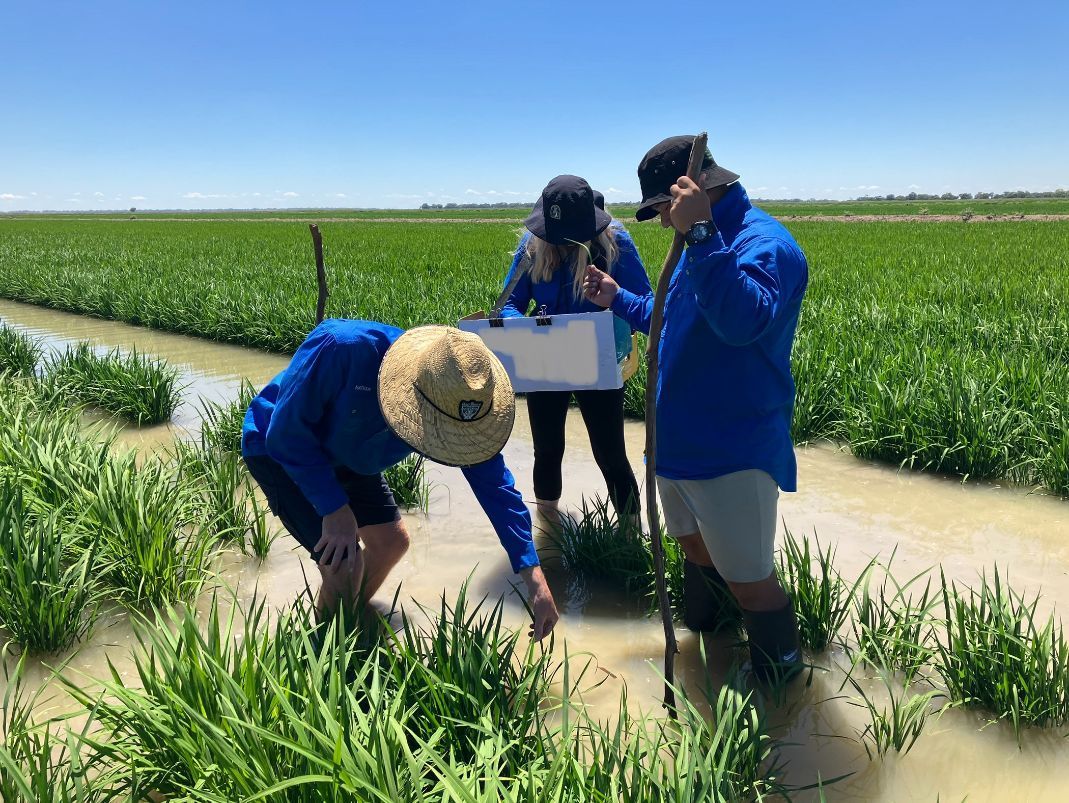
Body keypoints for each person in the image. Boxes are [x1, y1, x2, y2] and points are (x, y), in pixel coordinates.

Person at [582, 136, 809, 683]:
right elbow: (672, 317)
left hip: (731, 449)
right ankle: (708, 652)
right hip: (677, 446)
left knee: (751, 579)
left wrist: (703, 232)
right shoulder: (694, 247)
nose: (662, 223)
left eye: (663, 208)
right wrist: (618, 298)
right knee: (695, 551)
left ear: (693, 190)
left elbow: (740, 320)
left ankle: (784, 699)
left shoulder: (764, 245)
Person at [241, 321, 560, 641]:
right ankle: (327, 660)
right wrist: (334, 510)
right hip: (284, 451)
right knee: (343, 564)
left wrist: (534, 578)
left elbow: (498, 490)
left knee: (392, 542)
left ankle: (344, 625)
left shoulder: (458, 396)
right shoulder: (343, 348)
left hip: (355, 454)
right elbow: (284, 435)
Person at [499, 174, 652, 532]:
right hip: (545, 358)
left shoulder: (617, 244)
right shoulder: (532, 246)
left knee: (610, 454)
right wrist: (525, 330)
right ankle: (548, 531)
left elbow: (647, 306)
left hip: (597, 357)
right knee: (547, 451)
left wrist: (615, 298)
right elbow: (509, 304)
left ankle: (630, 535)